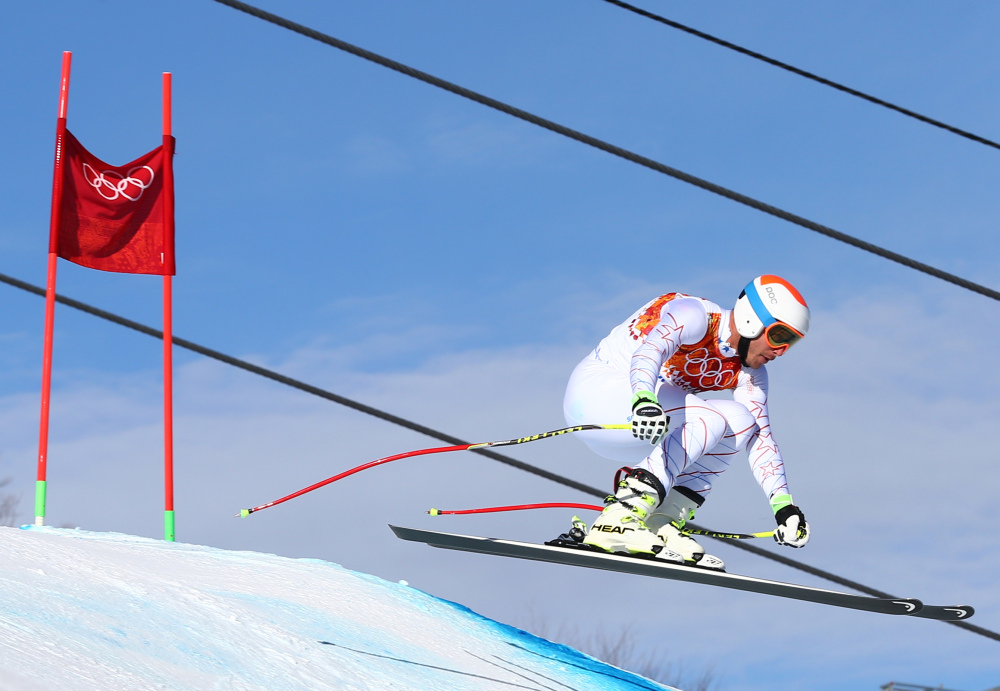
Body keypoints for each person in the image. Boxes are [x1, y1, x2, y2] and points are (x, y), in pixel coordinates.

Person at [562, 275, 811, 571]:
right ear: (751, 321)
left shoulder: (750, 374)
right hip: (598, 396)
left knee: (742, 421)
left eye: (791, 342)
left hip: (642, 425)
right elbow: (649, 352)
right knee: (710, 418)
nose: (781, 351)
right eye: (779, 337)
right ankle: (619, 518)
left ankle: (659, 520)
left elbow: (762, 439)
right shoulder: (697, 317)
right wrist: (643, 397)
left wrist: (783, 505)